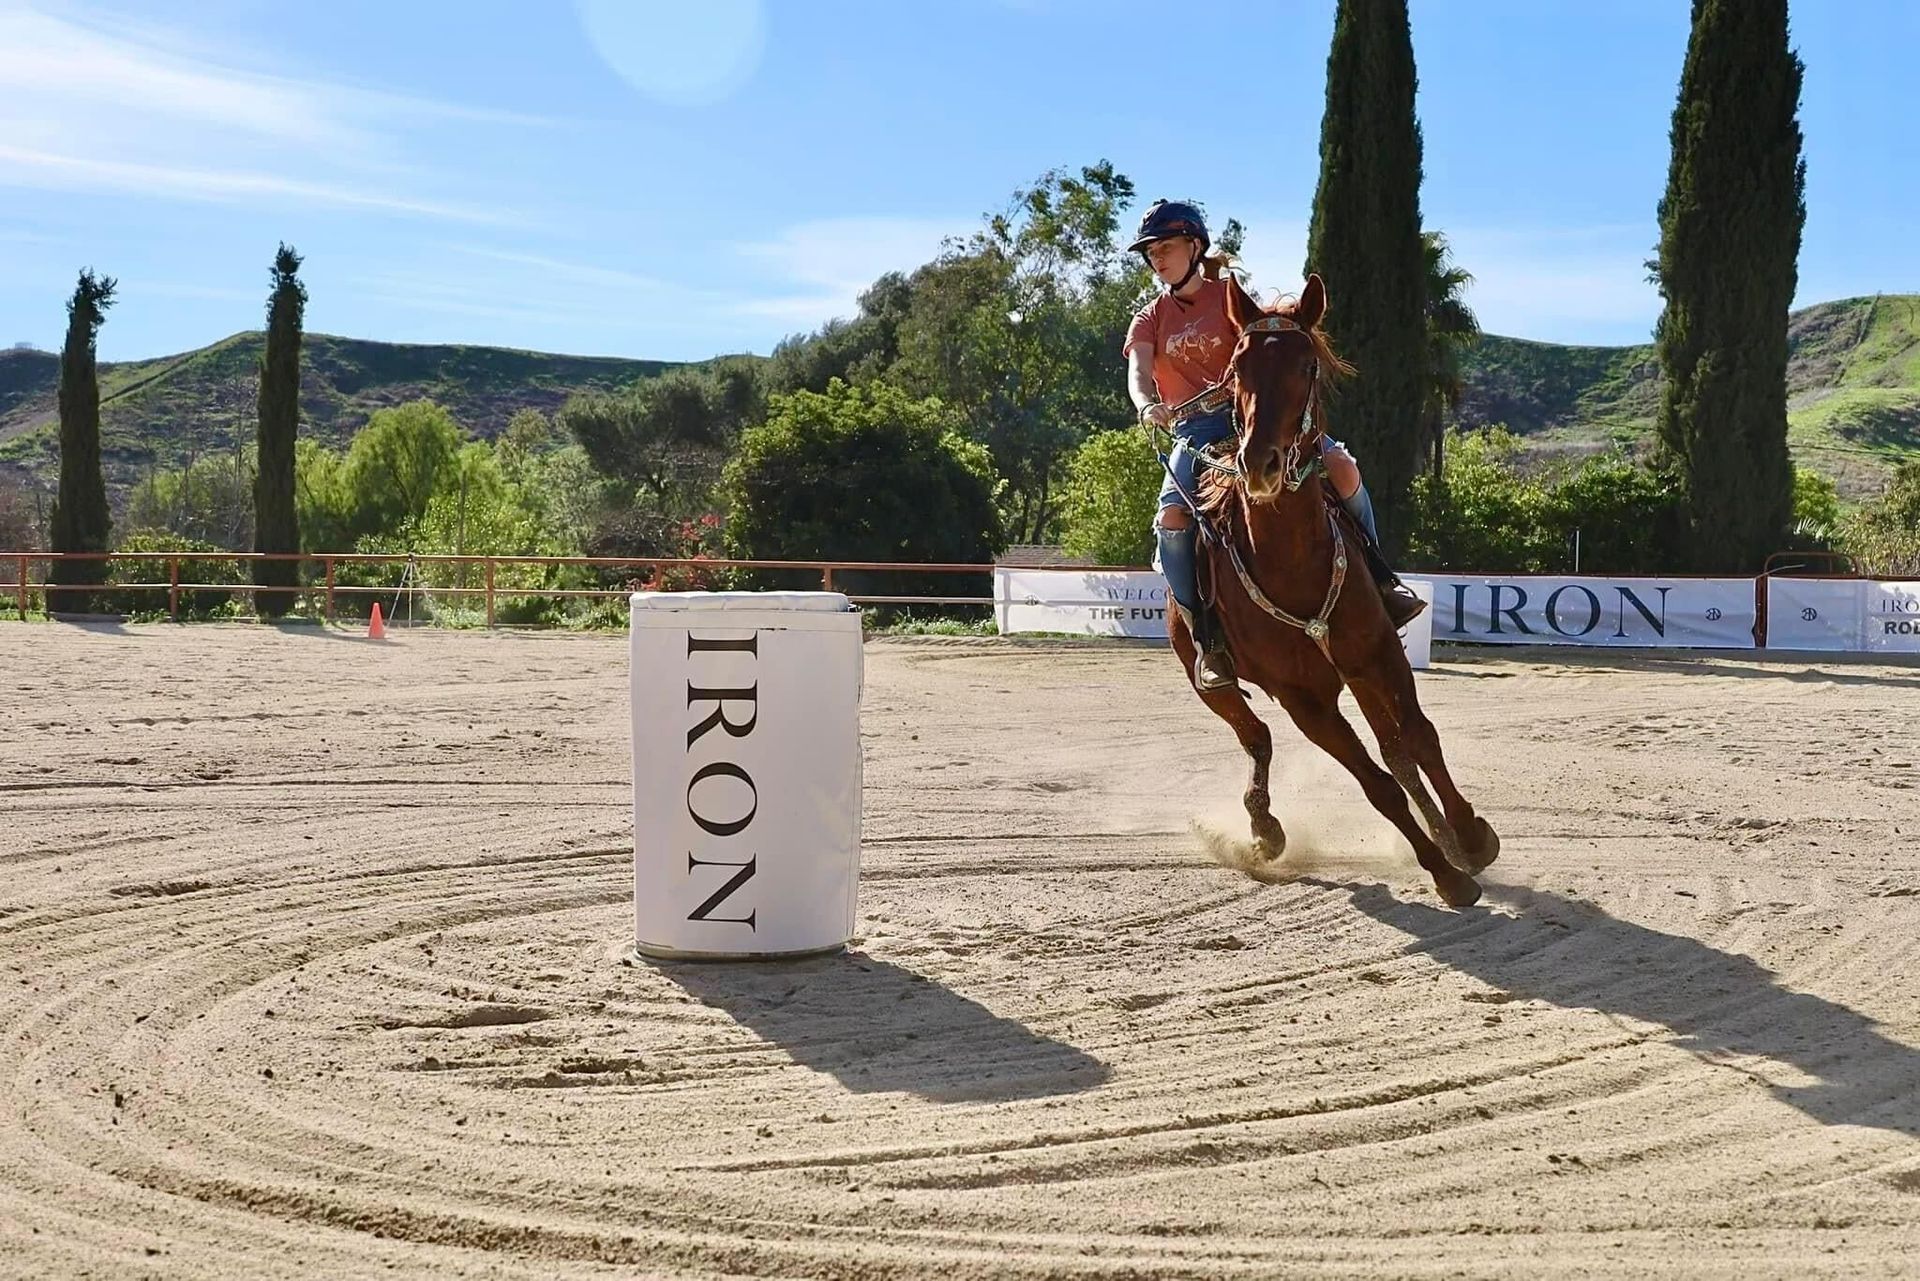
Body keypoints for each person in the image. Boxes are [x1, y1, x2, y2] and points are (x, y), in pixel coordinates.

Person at [1122, 198, 1428, 691]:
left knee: (1343, 467)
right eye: (1151, 251)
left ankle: (1380, 580)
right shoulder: (1149, 318)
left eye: (1167, 247)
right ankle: (1208, 637)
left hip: (1257, 419)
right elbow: (1139, 371)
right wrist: (1145, 404)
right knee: (1172, 521)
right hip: (1195, 431)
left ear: (1195, 247)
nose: (1157, 257)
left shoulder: (1232, 298)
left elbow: (1273, 340)